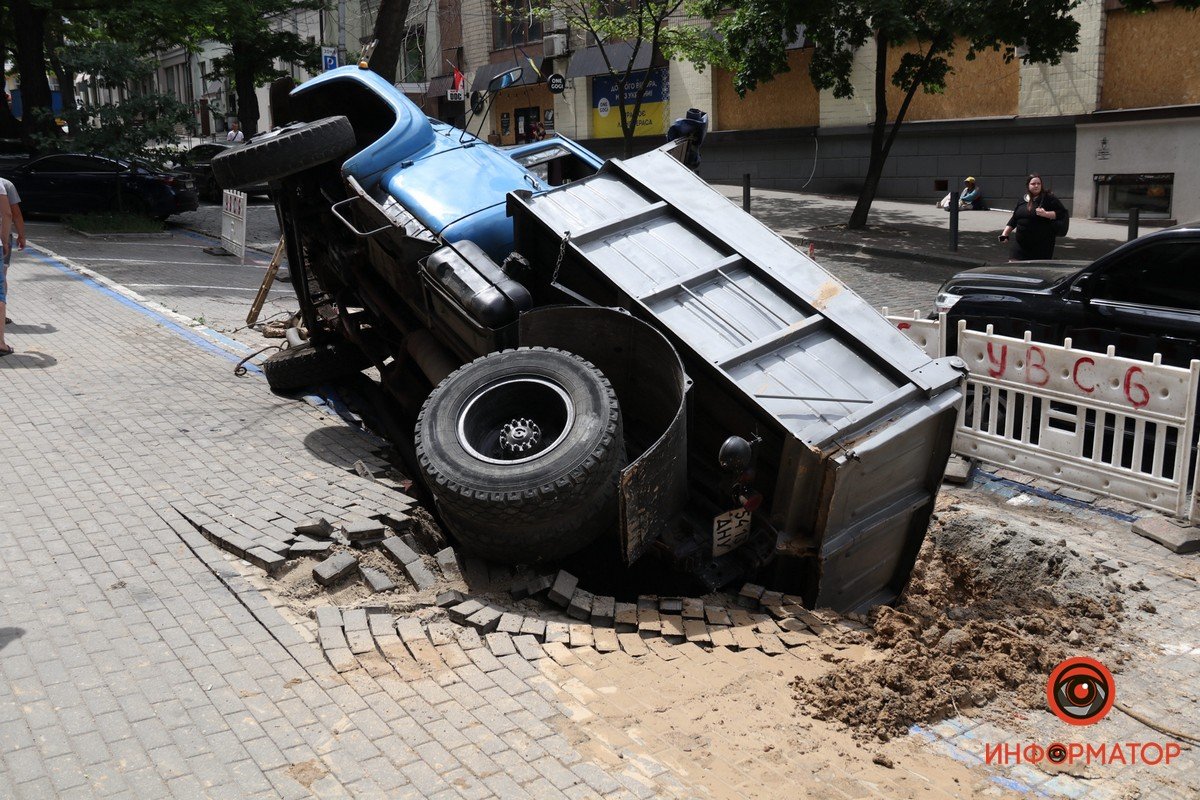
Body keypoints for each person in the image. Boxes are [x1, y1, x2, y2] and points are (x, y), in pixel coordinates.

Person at [999, 174, 1067, 261]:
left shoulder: (1048, 199)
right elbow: (1015, 218)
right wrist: (1005, 234)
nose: (1036, 186)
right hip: (1020, 245)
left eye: (1039, 183)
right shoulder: (1022, 199)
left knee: (1036, 271)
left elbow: (1062, 213)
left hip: (1041, 246)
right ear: (1028, 185)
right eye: (1033, 183)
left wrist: (1046, 214)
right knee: (1013, 266)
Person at [0, 176, 27, 357]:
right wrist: (21, 235)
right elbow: (12, 213)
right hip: (1, 239)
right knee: (1, 284)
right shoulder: (5, 184)